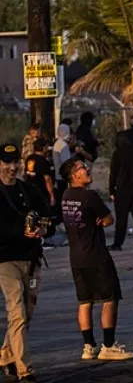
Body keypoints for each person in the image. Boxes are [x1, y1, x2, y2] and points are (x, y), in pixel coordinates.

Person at [59, 158, 133, 362]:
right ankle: (108, 345)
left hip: (76, 258)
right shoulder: (89, 196)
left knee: (85, 301)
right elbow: (109, 219)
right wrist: (102, 221)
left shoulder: (66, 196)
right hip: (96, 255)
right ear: (74, 176)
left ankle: (88, 346)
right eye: (82, 168)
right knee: (110, 298)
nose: (87, 169)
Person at [0, 143, 52, 382]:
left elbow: (48, 219)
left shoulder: (29, 190)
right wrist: (20, 231)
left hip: (31, 259)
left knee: (26, 314)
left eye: (15, 162)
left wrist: (41, 229)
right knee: (17, 311)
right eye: (6, 162)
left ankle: (6, 354)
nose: (12, 167)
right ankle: (24, 369)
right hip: (5, 260)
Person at [108, 131, 133, 251]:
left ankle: (118, 243)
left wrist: (111, 190)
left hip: (122, 189)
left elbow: (113, 173)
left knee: (121, 218)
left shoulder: (117, 153)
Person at [23, 139, 55, 209]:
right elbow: (47, 179)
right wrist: (52, 196)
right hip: (40, 192)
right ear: (43, 148)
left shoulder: (29, 158)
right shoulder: (43, 161)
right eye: (46, 147)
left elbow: (25, 174)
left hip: (29, 190)